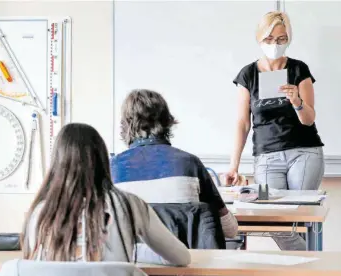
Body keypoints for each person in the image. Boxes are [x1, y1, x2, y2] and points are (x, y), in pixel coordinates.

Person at [20, 123, 191, 265]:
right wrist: (133, 247)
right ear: (102, 159)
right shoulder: (129, 205)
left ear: (56, 163)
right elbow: (181, 258)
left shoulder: (38, 214)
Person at [226, 11, 324, 250]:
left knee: (300, 216)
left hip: (304, 152)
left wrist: (297, 101)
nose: (275, 45)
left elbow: (309, 119)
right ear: (260, 39)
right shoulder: (248, 74)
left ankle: (307, 270)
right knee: (273, 220)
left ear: (288, 39)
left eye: (281, 39)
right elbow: (242, 123)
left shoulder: (299, 70)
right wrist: (233, 166)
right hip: (266, 157)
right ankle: (310, 266)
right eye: (269, 40)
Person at [110, 89, 238, 239]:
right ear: (167, 121)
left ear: (125, 125)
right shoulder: (190, 164)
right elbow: (230, 230)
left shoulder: (111, 169)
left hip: (133, 261)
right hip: (189, 261)